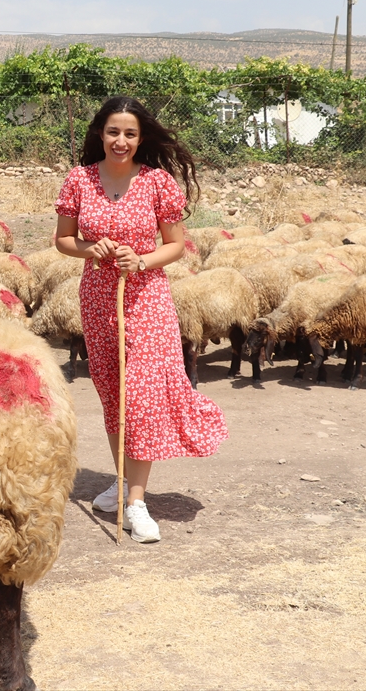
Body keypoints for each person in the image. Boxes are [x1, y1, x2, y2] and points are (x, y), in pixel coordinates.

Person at [53, 96, 227, 543]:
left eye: (130, 133)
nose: (121, 141)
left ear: (141, 138)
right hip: (97, 298)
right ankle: (119, 479)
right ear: (100, 134)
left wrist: (143, 259)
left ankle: (136, 502)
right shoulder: (79, 180)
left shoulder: (157, 182)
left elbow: (176, 246)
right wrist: (88, 248)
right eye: (113, 132)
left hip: (146, 299)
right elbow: (63, 240)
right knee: (114, 394)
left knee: (143, 397)